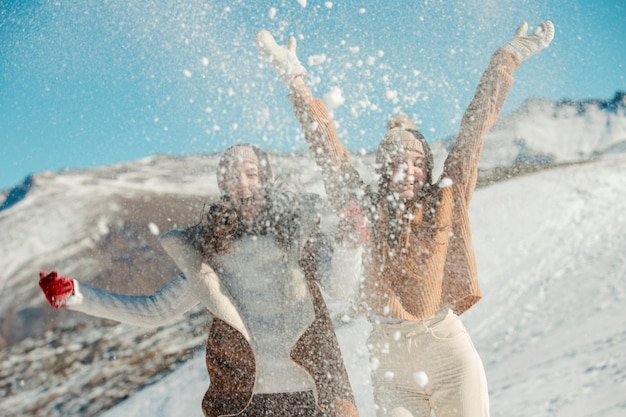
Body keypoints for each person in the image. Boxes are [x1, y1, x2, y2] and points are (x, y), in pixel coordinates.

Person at [256, 21, 554, 417]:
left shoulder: (446, 198)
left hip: (447, 353)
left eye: (417, 162)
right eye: (397, 161)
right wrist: (295, 78)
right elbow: (327, 147)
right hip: (391, 363)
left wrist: (508, 57)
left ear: (428, 168)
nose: (408, 170)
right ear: (383, 169)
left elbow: (473, 130)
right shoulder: (363, 206)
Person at [38, 143, 361, 417]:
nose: (243, 184)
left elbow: (342, 287)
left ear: (268, 179)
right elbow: (157, 311)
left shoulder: (301, 235)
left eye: (251, 174)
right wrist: (78, 296)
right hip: (245, 400)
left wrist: (349, 246)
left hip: (315, 393)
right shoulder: (212, 253)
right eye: (233, 177)